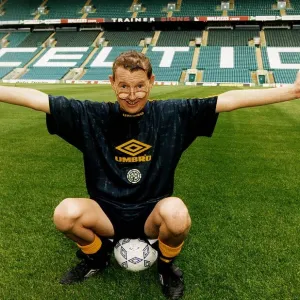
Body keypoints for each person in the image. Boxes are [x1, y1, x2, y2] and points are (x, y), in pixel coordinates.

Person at [1, 50, 300, 300]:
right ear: (112, 83)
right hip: (105, 213)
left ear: (152, 82)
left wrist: (292, 91)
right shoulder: (91, 115)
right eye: (123, 86)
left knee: (178, 214)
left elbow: (229, 100)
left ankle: (166, 266)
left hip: (150, 216)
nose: (131, 95)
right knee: (64, 214)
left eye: (140, 86)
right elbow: (36, 99)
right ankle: (98, 255)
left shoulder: (173, 114)